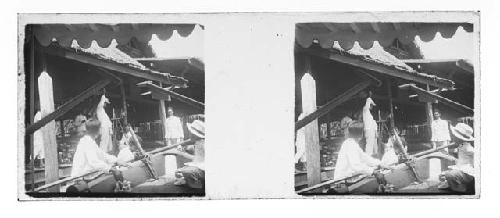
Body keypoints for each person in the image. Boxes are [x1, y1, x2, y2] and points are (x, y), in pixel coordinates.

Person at [166, 119, 205, 189]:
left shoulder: (201, 144)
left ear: (196, 135)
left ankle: (197, 184)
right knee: (178, 173)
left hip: (204, 167)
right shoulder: (198, 142)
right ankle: (190, 180)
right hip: (201, 165)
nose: (190, 135)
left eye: (191, 133)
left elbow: (198, 160)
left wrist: (181, 153)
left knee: (184, 172)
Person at [438, 123, 475, 194]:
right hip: (462, 170)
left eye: (454, 136)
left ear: (459, 138)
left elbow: (474, 159)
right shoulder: (461, 146)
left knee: (449, 175)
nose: (453, 137)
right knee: (442, 175)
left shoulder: (468, 148)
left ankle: (462, 188)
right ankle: (455, 183)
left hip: (468, 173)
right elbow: (460, 156)